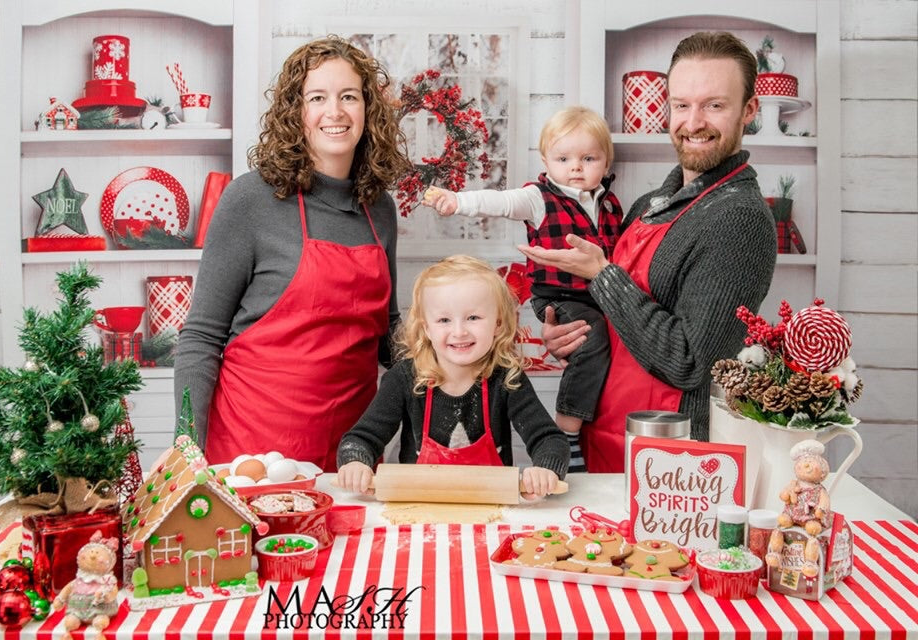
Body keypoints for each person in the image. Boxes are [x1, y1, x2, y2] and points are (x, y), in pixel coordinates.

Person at [519, 31, 777, 472]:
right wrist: (572, 334)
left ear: (748, 111)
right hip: (600, 437)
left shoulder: (740, 218)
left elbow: (690, 362)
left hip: (665, 465)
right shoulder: (649, 205)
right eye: (681, 104)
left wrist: (602, 275)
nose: (693, 121)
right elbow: (621, 323)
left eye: (714, 105)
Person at [174, 36, 411, 471]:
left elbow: (386, 332)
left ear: (368, 110)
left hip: (352, 457)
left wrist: (451, 362)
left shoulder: (379, 206)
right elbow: (202, 336)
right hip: (253, 453)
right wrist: (186, 450)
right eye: (317, 97)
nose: (334, 112)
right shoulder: (250, 199)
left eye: (349, 97)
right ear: (295, 111)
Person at [422, 107, 624, 472]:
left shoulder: (609, 204)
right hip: (562, 296)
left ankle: (597, 429)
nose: (576, 167)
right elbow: (499, 201)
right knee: (592, 341)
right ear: (546, 160)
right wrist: (458, 202)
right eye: (564, 158)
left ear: (606, 161)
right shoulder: (539, 198)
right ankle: (569, 428)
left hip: (602, 294)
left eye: (588, 158)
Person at [336, 255, 570, 498]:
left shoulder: (507, 379)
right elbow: (361, 438)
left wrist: (545, 470)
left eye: (473, 317)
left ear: (498, 324)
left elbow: (549, 439)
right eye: (444, 320)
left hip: (490, 506)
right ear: (427, 328)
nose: (459, 332)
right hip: (418, 507)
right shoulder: (404, 378)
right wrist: (355, 462)